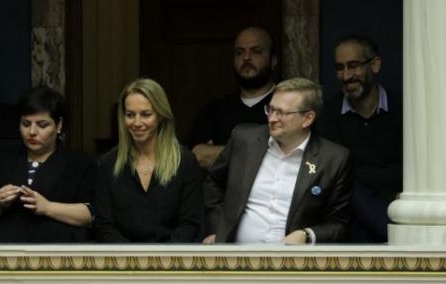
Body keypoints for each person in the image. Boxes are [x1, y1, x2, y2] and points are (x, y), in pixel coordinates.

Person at [204, 78, 353, 244]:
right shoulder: (244, 139)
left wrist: (306, 235)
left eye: (281, 113)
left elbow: (338, 223)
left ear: (308, 118)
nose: (272, 119)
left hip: (293, 258)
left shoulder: (333, 159)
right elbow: (213, 182)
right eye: (270, 109)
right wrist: (219, 229)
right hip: (236, 254)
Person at [0, 86, 95, 243]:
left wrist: (47, 207)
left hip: (56, 251)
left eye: (42, 125)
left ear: (58, 125)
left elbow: (93, 215)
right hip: (4, 250)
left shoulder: (79, 163)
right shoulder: (0, 165)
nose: (32, 132)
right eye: (25, 124)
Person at [94, 78, 203, 242]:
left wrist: (161, 256)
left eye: (146, 114)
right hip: (122, 256)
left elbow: (190, 223)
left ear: (161, 115)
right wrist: (130, 256)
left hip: (172, 255)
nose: (137, 123)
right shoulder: (107, 164)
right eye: (130, 115)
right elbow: (104, 225)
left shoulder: (186, 162)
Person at [316, 35, 402, 243]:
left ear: (375, 65)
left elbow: (411, 168)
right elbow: (337, 174)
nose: (346, 76)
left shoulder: (404, 108)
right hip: (353, 204)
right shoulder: (329, 114)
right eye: (340, 68)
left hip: (398, 200)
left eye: (353, 66)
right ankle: (396, 239)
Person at [186, 26, 277, 168]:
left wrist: (217, 153)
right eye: (239, 52)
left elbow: (286, 158)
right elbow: (195, 156)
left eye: (256, 51)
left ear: (273, 60)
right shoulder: (214, 110)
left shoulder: (287, 108)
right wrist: (260, 153)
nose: (246, 57)